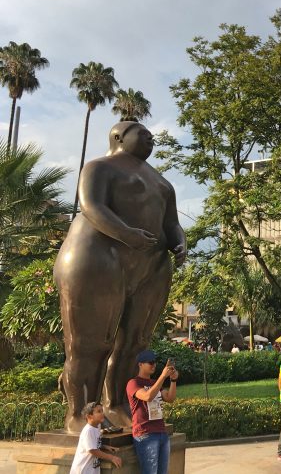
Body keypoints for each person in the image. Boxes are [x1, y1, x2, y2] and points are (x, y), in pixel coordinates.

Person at [55, 122, 186, 432]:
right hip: (97, 258)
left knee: (135, 342)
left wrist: (180, 241)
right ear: (117, 136)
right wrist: (126, 234)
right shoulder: (99, 168)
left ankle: (117, 402)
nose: (150, 137)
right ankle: (80, 412)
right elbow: (91, 206)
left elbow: (172, 224)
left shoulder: (163, 185)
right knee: (89, 344)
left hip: (149, 266)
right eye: (141, 133)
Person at [126, 349, 178, 474]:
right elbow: (147, 396)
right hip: (145, 434)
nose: (153, 365)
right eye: (150, 362)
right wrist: (162, 376)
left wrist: (173, 380)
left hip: (161, 432)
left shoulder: (154, 383)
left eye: (154, 362)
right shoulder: (133, 383)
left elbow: (170, 398)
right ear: (140, 364)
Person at [70, 402, 123, 474]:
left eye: (102, 411)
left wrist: (105, 446)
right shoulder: (88, 431)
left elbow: (92, 443)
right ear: (89, 416)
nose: (102, 414)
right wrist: (112, 458)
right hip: (83, 470)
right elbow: (92, 450)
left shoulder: (97, 427)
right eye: (98, 411)